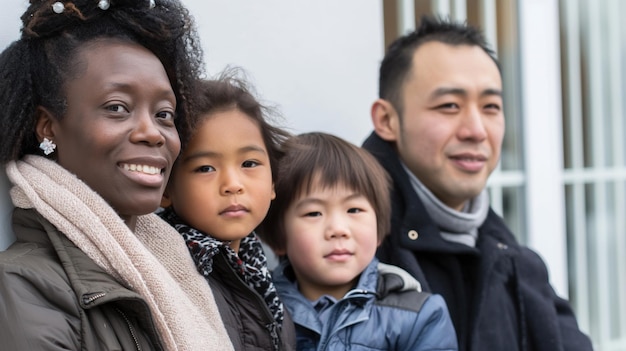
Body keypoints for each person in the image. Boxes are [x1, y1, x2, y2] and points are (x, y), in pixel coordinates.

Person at [0, 0, 233, 350]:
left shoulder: (186, 275)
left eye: (165, 114)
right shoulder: (22, 286)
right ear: (47, 127)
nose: (153, 133)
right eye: (117, 108)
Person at [362, 15, 593, 351]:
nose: (476, 130)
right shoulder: (348, 252)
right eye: (449, 105)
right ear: (387, 120)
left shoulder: (509, 254)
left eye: (491, 107)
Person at [258, 132, 458, 351]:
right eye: (314, 213)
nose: (338, 229)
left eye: (354, 210)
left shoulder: (420, 316)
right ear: (278, 237)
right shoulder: (257, 312)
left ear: (379, 229)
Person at [158, 75, 296, 350]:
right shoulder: (163, 275)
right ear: (165, 190)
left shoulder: (262, 277)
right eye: (206, 168)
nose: (233, 184)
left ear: (273, 182)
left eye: (249, 163)